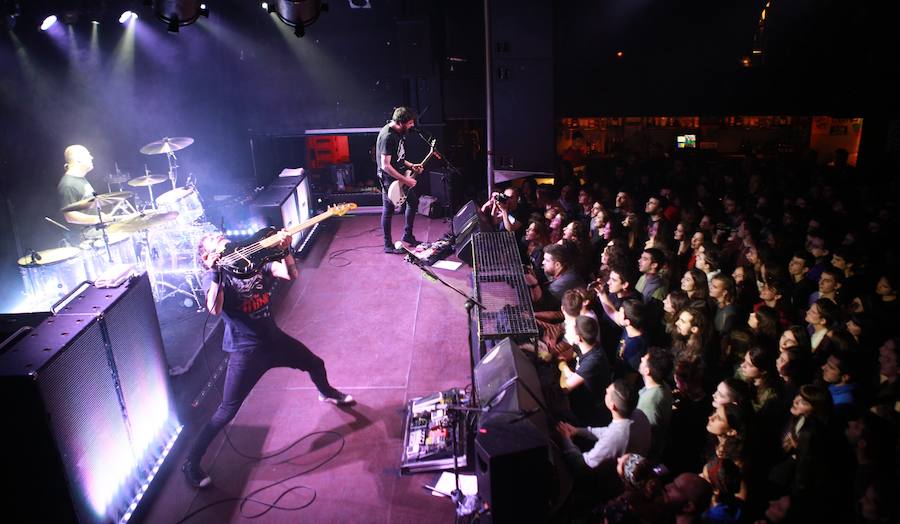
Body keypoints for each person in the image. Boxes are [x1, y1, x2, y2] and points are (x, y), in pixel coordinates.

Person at [182, 232, 354, 488]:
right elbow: (214, 309)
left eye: (221, 235)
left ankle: (326, 392)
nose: (222, 238)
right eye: (215, 240)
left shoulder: (251, 262)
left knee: (315, 364)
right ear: (207, 255)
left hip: (274, 340)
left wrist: (284, 250)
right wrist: (216, 272)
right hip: (246, 352)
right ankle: (191, 462)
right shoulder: (213, 276)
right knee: (226, 411)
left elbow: (290, 275)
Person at [376, 107, 424, 254]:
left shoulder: (399, 133)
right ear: (400, 123)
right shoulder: (388, 136)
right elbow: (385, 165)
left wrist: (411, 165)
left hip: (399, 175)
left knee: (413, 202)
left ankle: (408, 235)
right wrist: (406, 180)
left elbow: (399, 158)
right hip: (388, 179)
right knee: (389, 210)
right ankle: (387, 245)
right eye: (410, 123)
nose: (412, 126)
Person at [58, 144, 106, 226]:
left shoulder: (80, 179)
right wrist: (98, 219)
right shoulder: (68, 184)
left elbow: (87, 209)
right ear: (78, 160)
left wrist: (101, 216)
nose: (91, 157)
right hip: (89, 232)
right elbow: (69, 216)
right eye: (88, 155)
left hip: (96, 228)